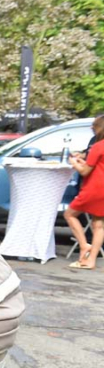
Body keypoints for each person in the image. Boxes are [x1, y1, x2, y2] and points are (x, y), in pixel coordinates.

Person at [66, 115, 104, 270]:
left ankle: (84, 245)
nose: (92, 128)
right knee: (98, 224)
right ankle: (91, 260)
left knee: (70, 214)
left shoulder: (98, 146)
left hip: (94, 188)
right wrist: (84, 163)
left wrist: (74, 163)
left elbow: (85, 171)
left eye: (94, 125)